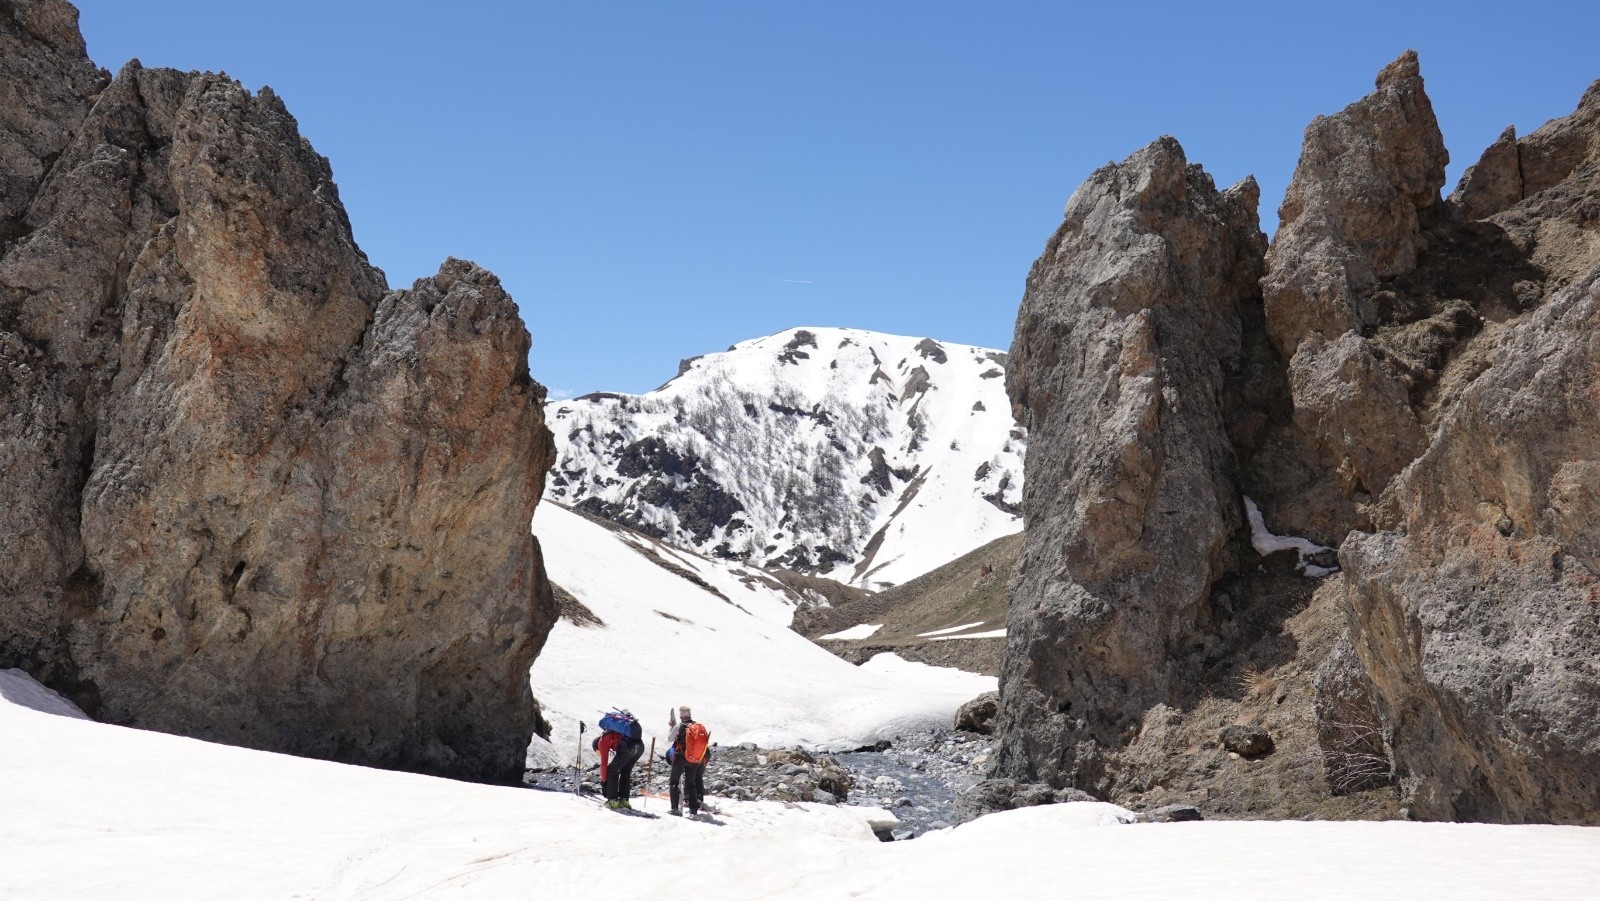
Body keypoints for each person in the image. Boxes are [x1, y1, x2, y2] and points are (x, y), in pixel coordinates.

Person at [666, 704, 711, 816]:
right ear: (690, 715)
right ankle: (693, 809)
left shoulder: (679, 726)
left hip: (680, 757)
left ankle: (675, 809)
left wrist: (671, 727)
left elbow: (670, 738)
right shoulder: (697, 726)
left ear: (681, 716)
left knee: (674, 782)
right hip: (694, 759)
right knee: (691, 783)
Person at [595, 710, 645, 809]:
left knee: (612, 770)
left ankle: (613, 801)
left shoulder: (602, 741)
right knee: (625, 771)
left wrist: (604, 782)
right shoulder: (614, 733)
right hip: (639, 746)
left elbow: (604, 764)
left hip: (628, 748)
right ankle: (624, 800)